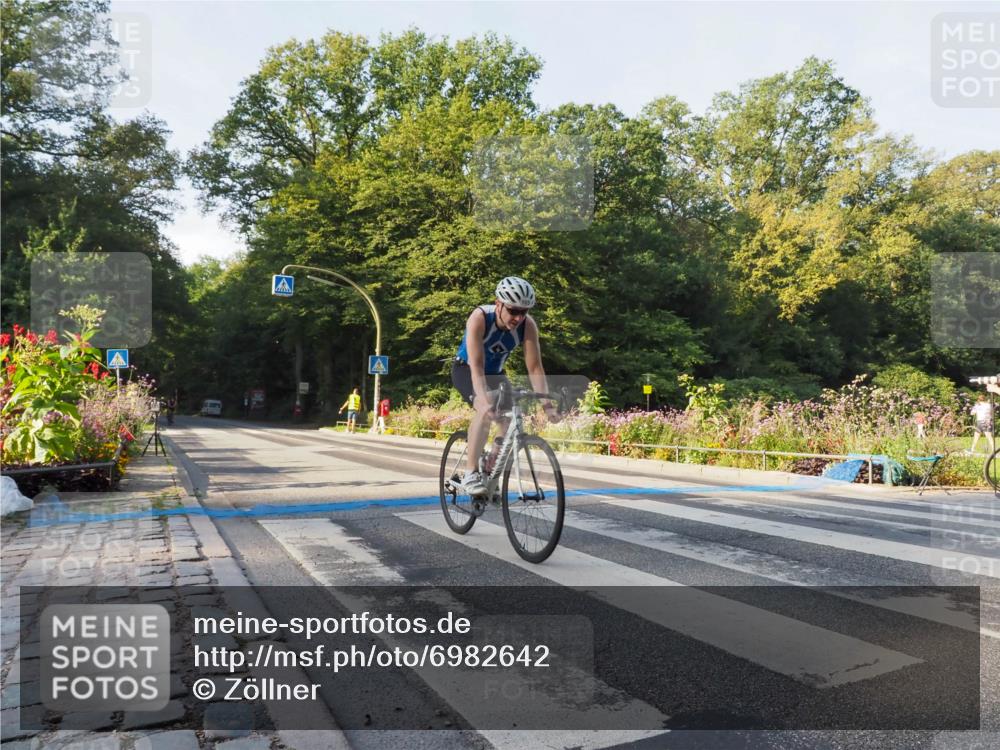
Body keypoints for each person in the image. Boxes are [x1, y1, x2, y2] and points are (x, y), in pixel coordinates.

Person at [451, 276, 559, 496]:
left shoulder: (527, 326)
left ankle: (491, 468)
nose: (518, 317)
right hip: (467, 368)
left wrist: (546, 404)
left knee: (509, 419)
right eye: (513, 310)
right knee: (485, 407)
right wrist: (481, 398)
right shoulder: (480, 318)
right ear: (498, 304)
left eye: (524, 311)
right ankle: (470, 471)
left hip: (497, 374)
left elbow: (535, 367)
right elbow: (477, 366)